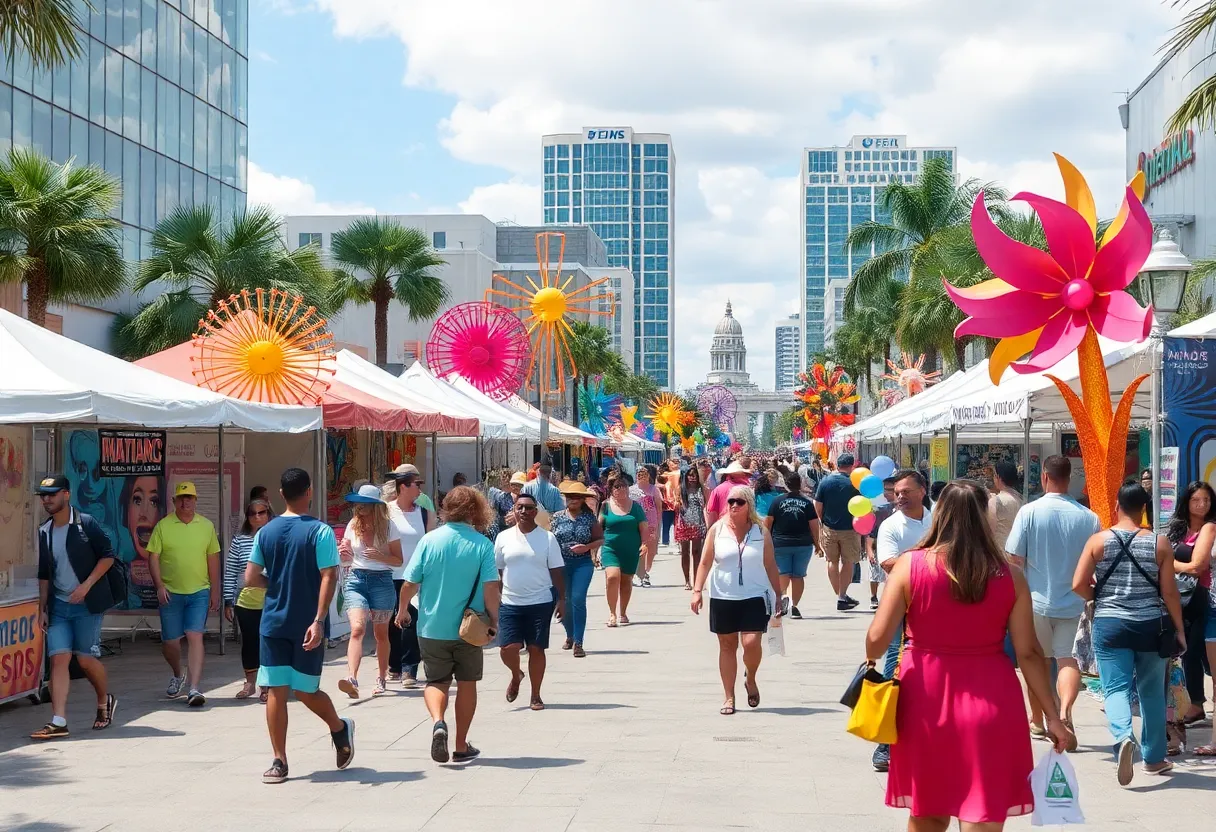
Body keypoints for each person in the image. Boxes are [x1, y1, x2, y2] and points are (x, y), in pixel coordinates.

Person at [867, 481, 1069, 829]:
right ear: (985, 519)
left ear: (939, 515)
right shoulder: (1010, 576)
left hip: (924, 700)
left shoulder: (908, 566)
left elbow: (875, 642)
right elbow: (1029, 654)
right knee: (983, 810)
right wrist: (1053, 716)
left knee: (927, 811)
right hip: (993, 699)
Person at [242, 467, 354, 784]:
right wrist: (319, 620)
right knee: (299, 690)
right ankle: (293, 750)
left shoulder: (266, 532)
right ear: (309, 491)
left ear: (280, 495)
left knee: (285, 690)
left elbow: (250, 578)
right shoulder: (320, 533)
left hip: (273, 622)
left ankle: (293, 753)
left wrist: (276, 585)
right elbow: (328, 576)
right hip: (306, 624)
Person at [1072, 483, 1185, 784]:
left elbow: (1078, 584)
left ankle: (1123, 737)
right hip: (1151, 626)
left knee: (1116, 689)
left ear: (1117, 505)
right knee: (1151, 692)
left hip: (1110, 625)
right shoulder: (1159, 543)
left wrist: (1100, 594)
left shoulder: (1098, 541)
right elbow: (1170, 593)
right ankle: (1154, 758)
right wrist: (1180, 631)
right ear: (1144, 508)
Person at [397, 486, 501, 763]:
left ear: (446, 508)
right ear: (476, 510)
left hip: (432, 627)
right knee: (467, 684)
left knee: (436, 681)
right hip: (470, 629)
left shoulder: (429, 541)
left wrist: (402, 610)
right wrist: (495, 620)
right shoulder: (482, 545)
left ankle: (438, 721)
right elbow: (491, 588)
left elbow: (409, 583)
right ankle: (460, 745)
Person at [1005, 455, 1099, 747]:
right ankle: (1065, 710)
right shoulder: (1089, 517)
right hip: (1075, 602)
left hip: (1034, 601)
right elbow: (1096, 561)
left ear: (1044, 476)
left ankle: (1037, 720)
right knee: (1068, 661)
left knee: (1036, 661)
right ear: (1070, 479)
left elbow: (1014, 557)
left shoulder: (1029, 512)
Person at [30, 475, 119, 740]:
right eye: (43, 495)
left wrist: (87, 586)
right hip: (59, 606)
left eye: (52, 494)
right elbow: (44, 573)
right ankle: (58, 720)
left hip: (87, 604)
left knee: (85, 660)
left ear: (66, 495)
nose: (47, 500)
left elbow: (108, 557)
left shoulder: (86, 524)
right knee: (58, 659)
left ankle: (104, 700)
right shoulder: (44, 531)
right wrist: (42, 607)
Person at [691, 485, 781, 716]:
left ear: (749, 505)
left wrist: (778, 595)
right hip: (723, 596)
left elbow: (770, 564)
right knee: (727, 646)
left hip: (755, 595)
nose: (733, 505)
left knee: (752, 643)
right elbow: (705, 562)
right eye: (730, 501)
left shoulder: (761, 531)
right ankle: (728, 697)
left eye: (739, 502)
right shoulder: (717, 530)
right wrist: (697, 590)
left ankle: (750, 678)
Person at [869, 469, 933, 772]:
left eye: (906, 491)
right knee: (894, 668)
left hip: (935, 606)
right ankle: (885, 744)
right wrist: (926, 556)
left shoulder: (937, 520)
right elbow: (888, 563)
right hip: (900, 606)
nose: (900, 496)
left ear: (922, 490)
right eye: (897, 492)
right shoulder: (891, 525)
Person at [147, 481, 221, 707]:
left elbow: (213, 558)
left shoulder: (206, 526)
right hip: (171, 592)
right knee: (170, 642)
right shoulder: (163, 526)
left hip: (199, 590)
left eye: (189, 497)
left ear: (196, 501)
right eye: (181, 498)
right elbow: (153, 557)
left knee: (194, 635)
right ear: (174, 501)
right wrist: (159, 585)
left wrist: (215, 591)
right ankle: (178, 673)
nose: (185, 501)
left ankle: (194, 687)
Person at [494, 493, 565, 709]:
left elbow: (557, 571)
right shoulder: (503, 538)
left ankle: (536, 695)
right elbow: (497, 571)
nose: (524, 512)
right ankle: (516, 675)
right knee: (507, 648)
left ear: (536, 511)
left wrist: (562, 599)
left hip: (540, 602)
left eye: (529, 508)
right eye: (520, 508)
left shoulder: (547, 538)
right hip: (510, 602)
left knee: (536, 649)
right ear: (513, 511)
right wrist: (494, 599)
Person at [336, 484, 404, 698]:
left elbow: (398, 560)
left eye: (365, 504)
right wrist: (343, 552)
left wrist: (380, 556)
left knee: (380, 634)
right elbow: (345, 556)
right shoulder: (352, 524)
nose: (360, 507)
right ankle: (352, 678)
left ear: (375, 506)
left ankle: (381, 677)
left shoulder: (389, 527)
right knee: (357, 629)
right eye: (358, 503)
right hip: (356, 578)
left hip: (382, 581)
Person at [1166, 480, 1214, 726]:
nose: (1202, 504)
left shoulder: (1209, 528)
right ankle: (1191, 700)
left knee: (1192, 650)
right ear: (1187, 502)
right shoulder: (1177, 528)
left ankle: (1197, 704)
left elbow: (1197, 567)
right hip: (1175, 596)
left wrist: (1169, 564)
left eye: (1206, 500)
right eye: (1196, 500)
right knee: (1188, 651)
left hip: (1198, 596)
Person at [385, 468, 435, 689]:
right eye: (417, 484)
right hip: (389, 574)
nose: (420, 488)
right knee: (391, 622)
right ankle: (394, 665)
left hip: (415, 577)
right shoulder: (386, 512)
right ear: (403, 486)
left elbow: (431, 543)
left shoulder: (424, 513)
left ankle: (409, 668)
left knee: (410, 621)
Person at [224, 498, 274, 702]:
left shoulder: (277, 538)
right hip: (245, 599)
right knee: (249, 642)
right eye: (253, 513)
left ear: (269, 514)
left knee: (267, 642)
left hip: (271, 599)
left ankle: (266, 685)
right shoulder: (240, 540)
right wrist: (228, 600)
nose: (257, 517)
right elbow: (231, 570)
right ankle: (250, 682)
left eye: (261, 512)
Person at [551, 480, 603, 658]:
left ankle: (579, 642)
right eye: (568, 497)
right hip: (560, 563)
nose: (571, 500)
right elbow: (549, 541)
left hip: (582, 563)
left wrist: (586, 548)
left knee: (578, 599)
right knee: (563, 600)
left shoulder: (589, 518)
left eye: (575, 497)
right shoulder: (557, 517)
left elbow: (599, 539)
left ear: (582, 500)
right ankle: (569, 634)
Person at [765, 472, 819, 620]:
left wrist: (767, 542)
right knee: (798, 576)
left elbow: (768, 523)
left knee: (783, 573)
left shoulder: (777, 501)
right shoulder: (807, 502)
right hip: (803, 544)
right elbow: (814, 526)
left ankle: (782, 598)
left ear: (786, 484)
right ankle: (794, 606)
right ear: (800, 483)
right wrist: (818, 544)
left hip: (780, 543)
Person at [599, 470, 648, 627]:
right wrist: (594, 549)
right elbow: (599, 527)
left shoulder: (636, 507)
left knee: (626, 580)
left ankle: (623, 612)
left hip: (630, 549)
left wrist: (644, 544)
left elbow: (644, 528)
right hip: (610, 547)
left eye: (624, 486)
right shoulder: (605, 506)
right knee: (612, 577)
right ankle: (612, 613)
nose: (621, 489)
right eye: (617, 487)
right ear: (611, 490)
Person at [813, 453, 862, 611]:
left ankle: (839, 594)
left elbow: (817, 504)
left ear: (837, 464)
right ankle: (842, 595)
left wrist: (822, 521)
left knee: (831, 561)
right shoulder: (855, 483)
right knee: (848, 562)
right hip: (850, 528)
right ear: (851, 465)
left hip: (829, 527)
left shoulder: (825, 481)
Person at [674, 464, 710, 590]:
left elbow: (707, 506)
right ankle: (687, 580)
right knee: (685, 552)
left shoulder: (703, 489)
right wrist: (677, 503)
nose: (692, 478)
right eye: (690, 475)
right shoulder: (680, 489)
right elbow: (676, 504)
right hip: (684, 523)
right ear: (686, 476)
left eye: (694, 475)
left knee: (696, 552)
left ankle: (697, 579)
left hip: (698, 523)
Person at [864, 477, 897, 610]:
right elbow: (872, 533)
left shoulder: (910, 511)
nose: (887, 493)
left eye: (891, 490)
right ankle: (873, 596)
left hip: (898, 550)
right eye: (885, 490)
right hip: (879, 546)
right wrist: (870, 551)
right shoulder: (881, 511)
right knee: (874, 573)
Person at [631, 464, 662, 587]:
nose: (641, 477)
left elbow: (659, 508)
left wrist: (658, 524)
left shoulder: (654, 489)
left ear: (648, 476)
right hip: (636, 523)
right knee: (640, 549)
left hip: (651, 522)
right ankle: (642, 574)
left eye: (644, 474)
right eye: (639, 474)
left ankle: (645, 571)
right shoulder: (631, 490)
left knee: (652, 550)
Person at [987, 461, 1023, 552]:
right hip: (1016, 551)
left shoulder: (996, 501)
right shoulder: (1020, 499)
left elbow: (989, 530)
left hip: (999, 551)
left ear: (998, 477)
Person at [705, 460, 752, 527]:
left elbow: (711, 513)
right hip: (744, 528)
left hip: (723, 528)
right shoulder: (748, 489)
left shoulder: (718, 489)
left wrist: (711, 531)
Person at [486, 470, 517, 539]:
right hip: (501, 526)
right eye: (503, 483)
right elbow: (491, 508)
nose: (504, 485)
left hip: (512, 527)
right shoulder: (496, 494)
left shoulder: (516, 495)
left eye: (507, 484)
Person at [658, 459, 680, 548]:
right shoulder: (668, 475)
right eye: (671, 464)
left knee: (672, 523)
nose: (672, 466)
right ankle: (668, 540)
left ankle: (671, 540)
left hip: (673, 502)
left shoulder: (675, 474)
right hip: (669, 502)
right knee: (669, 523)